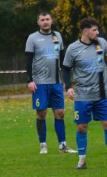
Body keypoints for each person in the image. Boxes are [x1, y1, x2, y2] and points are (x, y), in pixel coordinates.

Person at [62, 17, 107, 170]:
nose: (97, 33)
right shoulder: (73, 48)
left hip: (102, 95)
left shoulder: (102, 44)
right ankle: (81, 161)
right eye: (94, 30)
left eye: (97, 29)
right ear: (85, 31)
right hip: (82, 96)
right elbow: (65, 69)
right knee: (82, 127)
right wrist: (68, 87)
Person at [25, 11, 74, 154]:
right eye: (42, 20)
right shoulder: (32, 38)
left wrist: (66, 81)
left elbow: (64, 60)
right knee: (42, 114)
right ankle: (43, 144)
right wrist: (30, 80)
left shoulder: (57, 36)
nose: (45, 22)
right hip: (40, 83)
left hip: (56, 82)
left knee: (60, 113)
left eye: (47, 19)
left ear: (51, 21)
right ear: (38, 22)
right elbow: (28, 61)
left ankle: (62, 145)